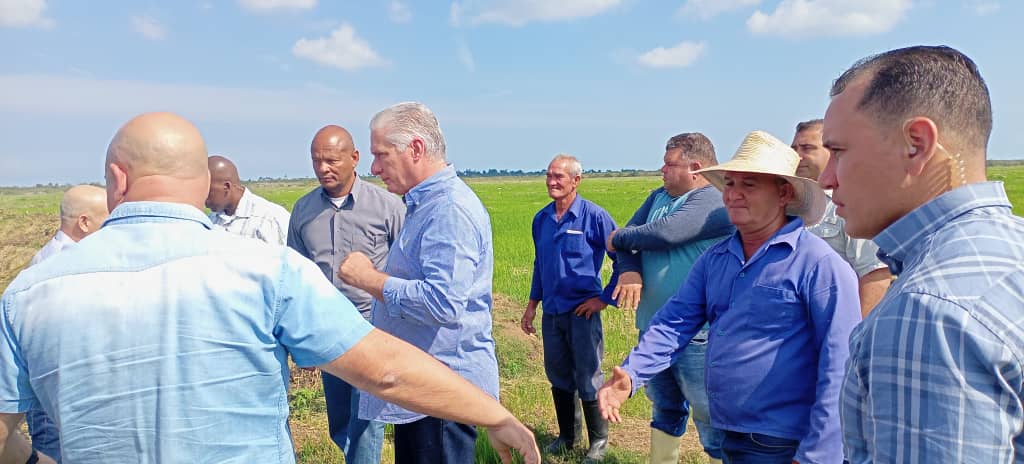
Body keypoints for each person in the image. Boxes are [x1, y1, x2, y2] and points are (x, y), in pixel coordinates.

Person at [0, 112, 541, 464]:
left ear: (117, 180)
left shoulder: (28, 292)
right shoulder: (265, 270)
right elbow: (388, 371)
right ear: (202, 184)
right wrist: (495, 415)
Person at [598, 130, 860, 464]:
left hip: (785, 441)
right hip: (731, 433)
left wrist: (818, 454)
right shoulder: (716, 259)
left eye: (748, 184)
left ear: (784, 193)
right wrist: (632, 374)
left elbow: (840, 365)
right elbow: (674, 322)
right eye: (730, 184)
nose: (733, 194)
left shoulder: (819, 265)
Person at [819, 45, 1024, 463]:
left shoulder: (929, 311)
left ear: (916, 144)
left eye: (838, 151)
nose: (826, 178)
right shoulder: (1011, 247)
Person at [337, 102, 500, 463]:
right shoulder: (425, 205)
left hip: (442, 392)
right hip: (426, 389)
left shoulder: (448, 210)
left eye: (381, 155)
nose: (374, 168)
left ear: (415, 149)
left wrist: (369, 279)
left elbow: (442, 303)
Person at [606, 133, 734, 464]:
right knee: (665, 407)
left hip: (698, 333)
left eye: (669, 164)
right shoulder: (658, 197)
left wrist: (620, 237)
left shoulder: (714, 200)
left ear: (695, 168)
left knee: (709, 413)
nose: (662, 170)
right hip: (654, 327)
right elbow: (627, 242)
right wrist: (629, 270)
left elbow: (666, 233)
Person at [287, 124, 404, 463]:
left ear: (354, 158)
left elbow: (406, 267)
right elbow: (297, 275)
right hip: (327, 327)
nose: (323, 168)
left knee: (366, 417)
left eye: (332, 160)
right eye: (317, 161)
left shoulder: (387, 207)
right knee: (340, 422)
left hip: (373, 326)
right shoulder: (304, 210)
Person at [520, 154, 617, 462]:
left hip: (582, 313)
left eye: (558, 176)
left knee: (588, 375)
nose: (552, 182)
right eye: (549, 176)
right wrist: (532, 305)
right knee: (558, 374)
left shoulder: (595, 217)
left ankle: (599, 442)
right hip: (552, 312)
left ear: (576, 181)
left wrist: (604, 299)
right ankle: (567, 437)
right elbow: (540, 265)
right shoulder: (542, 219)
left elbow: (625, 258)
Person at [24, 184, 109, 463]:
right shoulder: (63, 266)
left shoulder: (53, 257)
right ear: (84, 222)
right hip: (58, 390)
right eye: (107, 219)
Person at [791, 119, 891, 316]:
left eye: (807, 148)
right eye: (794, 149)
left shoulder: (855, 203)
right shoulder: (788, 205)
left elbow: (875, 274)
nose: (798, 156)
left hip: (837, 322)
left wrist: (855, 331)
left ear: (832, 152)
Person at [205, 154, 291, 245]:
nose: (204, 199)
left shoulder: (270, 219)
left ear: (226, 187)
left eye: (208, 192)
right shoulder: (211, 219)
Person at [29, 185, 109, 266]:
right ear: (84, 223)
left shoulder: (43, 257)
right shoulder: (77, 263)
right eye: (108, 219)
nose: (112, 225)